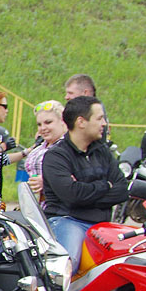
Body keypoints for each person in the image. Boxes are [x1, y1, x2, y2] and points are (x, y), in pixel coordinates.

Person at [41, 96, 127, 269]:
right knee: (66, 266)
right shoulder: (56, 156)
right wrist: (105, 186)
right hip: (68, 221)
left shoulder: (102, 151)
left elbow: (122, 190)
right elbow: (72, 195)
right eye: (99, 118)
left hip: (103, 226)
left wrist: (84, 193)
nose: (104, 123)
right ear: (81, 122)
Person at [23, 100, 66, 199]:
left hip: (56, 206)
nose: (43, 128)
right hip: (35, 204)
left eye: (48, 122)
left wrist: (46, 182)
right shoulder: (40, 147)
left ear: (62, 121)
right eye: (39, 124)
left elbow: (74, 179)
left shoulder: (67, 147)